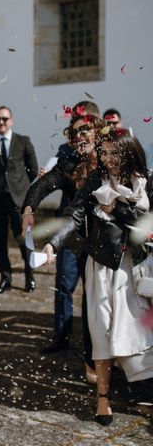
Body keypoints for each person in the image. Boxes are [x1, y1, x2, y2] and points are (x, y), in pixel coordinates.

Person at [43, 128, 153, 426]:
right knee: (101, 328)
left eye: (114, 152)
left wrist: (117, 208)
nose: (108, 159)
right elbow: (74, 215)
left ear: (129, 152)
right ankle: (103, 397)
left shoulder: (148, 182)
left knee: (139, 331)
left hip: (136, 268)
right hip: (102, 266)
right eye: (103, 153)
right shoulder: (95, 181)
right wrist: (54, 242)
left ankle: (143, 389)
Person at [21, 103, 100, 375]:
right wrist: (29, 208)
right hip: (71, 232)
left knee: (93, 296)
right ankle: (62, 337)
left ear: (97, 129)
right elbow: (47, 183)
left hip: (101, 238)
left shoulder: (108, 155)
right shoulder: (67, 154)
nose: (80, 136)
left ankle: (93, 353)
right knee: (64, 285)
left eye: (86, 129)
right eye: (76, 131)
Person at [0, 106, 38, 293]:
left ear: (11, 120)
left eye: (4, 118)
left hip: (18, 200)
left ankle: (30, 277)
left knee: (24, 240)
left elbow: (33, 169)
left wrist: (20, 188)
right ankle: (5, 278)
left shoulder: (23, 141)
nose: (1, 122)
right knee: (0, 243)